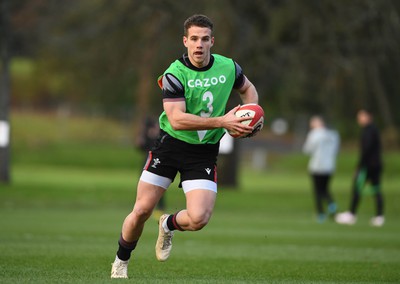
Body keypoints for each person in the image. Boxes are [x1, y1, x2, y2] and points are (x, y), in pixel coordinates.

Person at [111, 14, 259, 279]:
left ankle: (168, 223)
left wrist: (251, 115)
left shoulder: (229, 67)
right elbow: (177, 120)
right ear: (185, 41)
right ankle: (121, 260)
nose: (199, 44)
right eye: (194, 39)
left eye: (204, 39)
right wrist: (223, 121)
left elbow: (248, 89)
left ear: (212, 41)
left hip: (202, 153)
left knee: (199, 218)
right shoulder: (174, 74)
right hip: (170, 147)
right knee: (142, 209)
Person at [335, 109, 384, 227]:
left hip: (369, 166)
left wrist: (360, 166)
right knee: (375, 189)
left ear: (369, 116)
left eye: (362, 116)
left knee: (359, 187)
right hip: (375, 164)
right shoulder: (372, 130)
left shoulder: (369, 131)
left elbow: (366, 150)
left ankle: (352, 214)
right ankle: (379, 216)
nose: (360, 119)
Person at [303, 116, 339, 223]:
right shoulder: (333, 135)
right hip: (329, 166)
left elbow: (307, 150)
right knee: (325, 189)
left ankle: (321, 214)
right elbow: (336, 150)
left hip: (317, 166)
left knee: (317, 191)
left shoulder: (314, 134)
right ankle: (331, 204)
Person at [136, 116, 166, 218]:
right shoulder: (145, 134)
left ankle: (160, 208)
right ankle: (141, 206)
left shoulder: (159, 133)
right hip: (147, 161)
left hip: (157, 160)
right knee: (144, 185)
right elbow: (141, 147)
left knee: (158, 185)